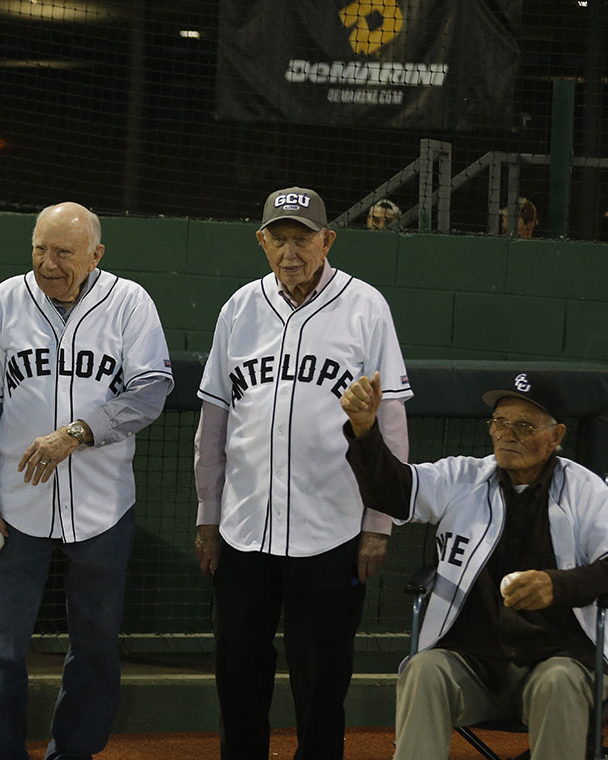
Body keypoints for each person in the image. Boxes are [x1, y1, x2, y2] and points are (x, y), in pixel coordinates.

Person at [194, 186, 413, 759]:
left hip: (334, 528)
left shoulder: (366, 307)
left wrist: (379, 523)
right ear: (261, 241)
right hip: (243, 528)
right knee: (237, 674)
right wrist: (207, 517)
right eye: (279, 238)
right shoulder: (239, 309)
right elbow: (213, 424)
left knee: (322, 684)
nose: (290, 252)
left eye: (302, 238)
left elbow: (390, 423)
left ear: (327, 240)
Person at [0, 201, 173, 760]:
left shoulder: (128, 303)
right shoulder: (6, 300)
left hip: (103, 506)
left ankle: (72, 752)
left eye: (63, 253)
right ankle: (2, 752)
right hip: (16, 503)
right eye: (39, 249)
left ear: (96, 254)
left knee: (96, 644)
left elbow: (150, 391)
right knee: (1, 644)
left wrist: (76, 433)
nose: (47, 264)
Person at [340, 370, 608, 759]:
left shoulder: (585, 491)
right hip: (474, 666)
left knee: (559, 681)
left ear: (556, 437)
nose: (507, 434)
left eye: (524, 425)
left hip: (560, 661)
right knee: (425, 670)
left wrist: (560, 585)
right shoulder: (464, 478)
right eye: (500, 423)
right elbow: (394, 491)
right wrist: (366, 431)